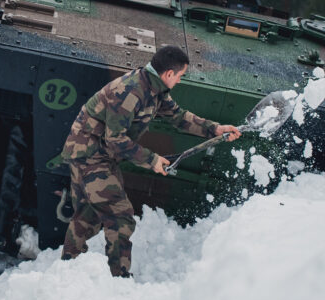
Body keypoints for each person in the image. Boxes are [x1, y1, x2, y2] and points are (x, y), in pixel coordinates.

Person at [59, 45, 242, 277]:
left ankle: (66, 270)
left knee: (89, 214)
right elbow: (115, 139)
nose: (180, 81)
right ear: (168, 74)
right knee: (121, 217)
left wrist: (215, 129)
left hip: (97, 154)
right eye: (180, 76)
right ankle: (119, 278)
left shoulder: (154, 89)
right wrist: (152, 160)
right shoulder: (131, 91)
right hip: (90, 155)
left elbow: (179, 117)